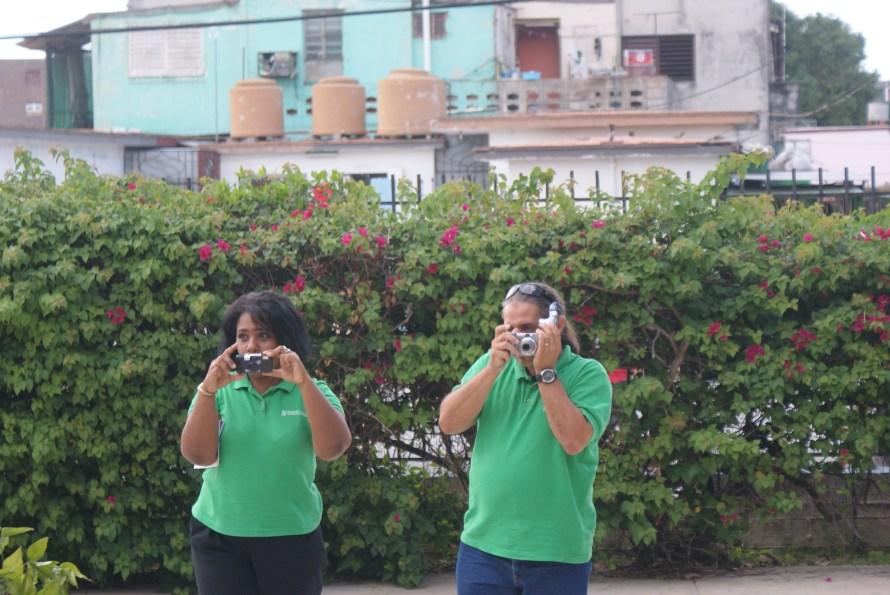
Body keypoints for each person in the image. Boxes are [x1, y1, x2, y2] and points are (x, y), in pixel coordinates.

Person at [439, 282, 613, 595]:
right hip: (484, 548)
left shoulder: (588, 374)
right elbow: (450, 422)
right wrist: (491, 369)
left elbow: (573, 441)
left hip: (556, 553)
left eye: (529, 327)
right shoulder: (493, 365)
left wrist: (545, 372)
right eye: (511, 328)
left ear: (556, 325)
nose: (520, 337)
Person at [181, 291, 352, 595]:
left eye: (263, 335)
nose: (251, 346)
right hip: (219, 537)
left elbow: (333, 449)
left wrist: (303, 383)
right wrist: (207, 391)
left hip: (292, 536)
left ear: (285, 340)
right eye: (242, 336)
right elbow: (198, 454)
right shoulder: (217, 390)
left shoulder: (312, 390)